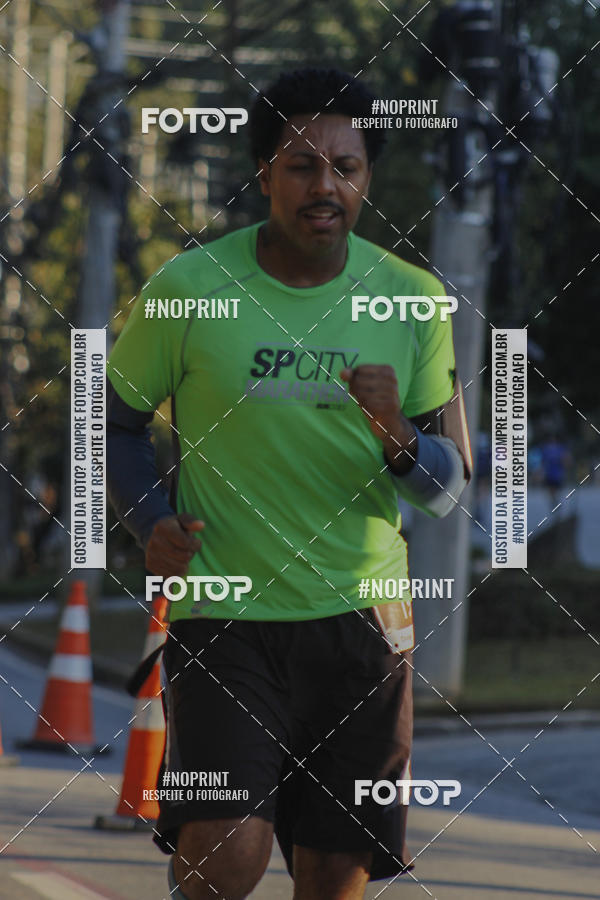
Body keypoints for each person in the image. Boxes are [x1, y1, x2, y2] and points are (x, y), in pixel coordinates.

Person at [106, 68, 472, 900]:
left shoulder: (413, 300)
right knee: (225, 850)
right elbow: (115, 424)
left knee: (335, 874)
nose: (325, 186)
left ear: (367, 178)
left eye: (346, 166)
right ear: (265, 172)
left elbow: (449, 488)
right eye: (303, 165)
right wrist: (149, 517)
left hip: (364, 624)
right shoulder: (189, 288)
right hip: (224, 615)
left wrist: (398, 434)